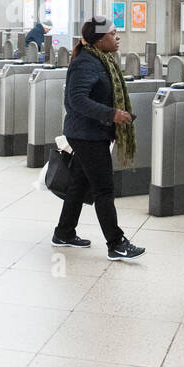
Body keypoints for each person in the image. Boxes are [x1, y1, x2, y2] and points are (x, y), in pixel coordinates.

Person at [51, 14, 145, 261]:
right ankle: (116, 243)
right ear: (99, 39)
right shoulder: (86, 63)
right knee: (104, 189)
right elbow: (77, 100)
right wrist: (111, 114)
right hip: (86, 135)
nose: (117, 37)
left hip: (91, 132)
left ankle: (64, 232)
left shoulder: (101, 60)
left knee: (79, 184)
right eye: (113, 34)